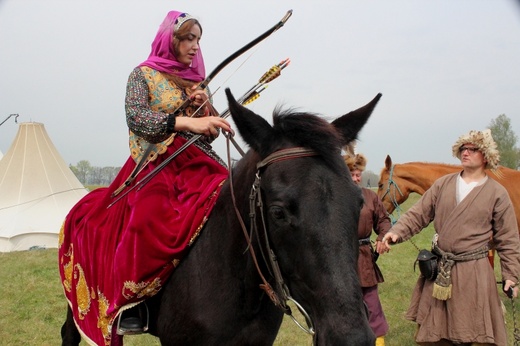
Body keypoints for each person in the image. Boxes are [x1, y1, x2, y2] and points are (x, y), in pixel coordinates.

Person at [58, 11, 233, 345]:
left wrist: (205, 111)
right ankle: (133, 305)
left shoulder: (195, 81)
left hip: (198, 162)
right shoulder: (142, 74)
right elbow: (137, 118)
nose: (194, 47)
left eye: (198, 40)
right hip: (156, 164)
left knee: (236, 201)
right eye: (187, 38)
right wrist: (186, 122)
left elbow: (205, 136)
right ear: (170, 38)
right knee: (146, 219)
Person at [382, 129, 520, 346]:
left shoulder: (497, 192)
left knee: (474, 330)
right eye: (463, 148)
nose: (466, 152)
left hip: (474, 271)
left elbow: (508, 238)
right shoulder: (443, 184)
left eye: (472, 149)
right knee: (438, 334)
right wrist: (396, 232)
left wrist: (511, 275)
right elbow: (419, 213)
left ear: (485, 156)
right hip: (442, 271)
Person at [344, 153, 391, 346]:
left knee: (371, 304)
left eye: (358, 174)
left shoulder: (370, 196)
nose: (356, 178)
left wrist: (383, 237)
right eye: (352, 174)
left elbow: (384, 220)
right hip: (339, 258)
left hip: (364, 257)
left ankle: (377, 342)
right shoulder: (331, 196)